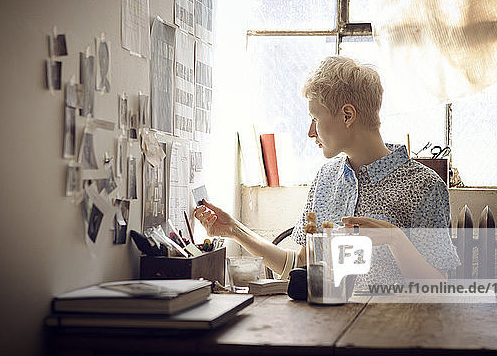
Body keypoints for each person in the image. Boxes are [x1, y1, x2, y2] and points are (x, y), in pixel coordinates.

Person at [194, 56, 459, 283]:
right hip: (325, 331)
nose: (310, 132)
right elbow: (300, 265)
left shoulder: (423, 185)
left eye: (314, 118)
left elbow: (437, 285)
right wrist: (234, 231)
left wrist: (395, 239)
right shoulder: (325, 178)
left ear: (347, 115)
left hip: (390, 336)